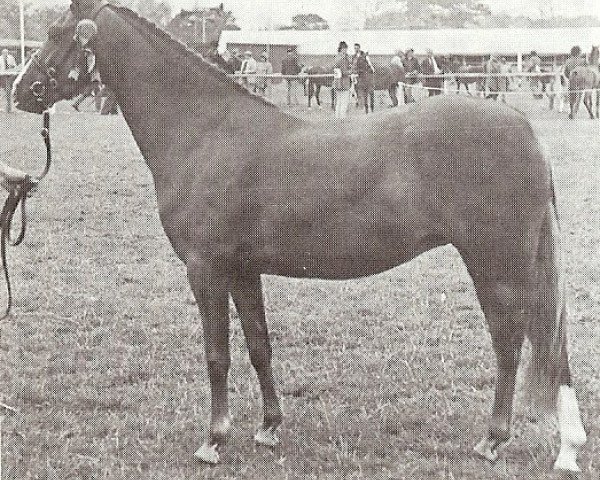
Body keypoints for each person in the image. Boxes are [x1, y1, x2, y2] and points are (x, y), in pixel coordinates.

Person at [333, 41, 352, 119]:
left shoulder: (336, 57)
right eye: (345, 49)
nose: (346, 50)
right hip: (344, 82)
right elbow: (344, 72)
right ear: (343, 49)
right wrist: (351, 72)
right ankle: (342, 118)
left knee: (339, 102)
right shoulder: (343, 59)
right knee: (344, 102)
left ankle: (337, 117)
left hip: (337, 82)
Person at [354, 49, 375, 113]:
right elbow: (372, 69)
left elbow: (371, 68)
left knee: (366, 93)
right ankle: (369, 108)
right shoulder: (362, 58)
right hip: (364, 77)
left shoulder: (362, 58)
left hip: (363, 77)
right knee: (368, 93)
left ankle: (368, 109)